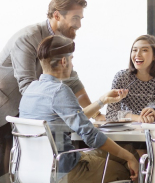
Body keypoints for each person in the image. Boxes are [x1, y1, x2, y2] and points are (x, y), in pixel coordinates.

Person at [0, 0, 104, 179]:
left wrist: (97, 114)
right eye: (76, 18)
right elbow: (27, 87)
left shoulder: (59, 42)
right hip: (7, 106)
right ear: (57, 15)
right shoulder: (28, 38)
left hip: (27, 107)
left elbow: (72, 79)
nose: (79, 25)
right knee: (12, 160)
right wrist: (59, 106)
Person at [19, 35, 138, 182]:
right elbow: (90, 135)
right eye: (71, 59)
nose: (72, 65)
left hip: (35, 169)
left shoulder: (31, 89)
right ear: (64, 61)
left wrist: (102, 101)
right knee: (127, 166)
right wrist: (129, 157)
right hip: (64, 169)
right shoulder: (59, 90)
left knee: (128, 151)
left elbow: (74, 119)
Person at [106, 35, 155, 123]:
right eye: (134, 50)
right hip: (129, 132)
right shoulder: (122, 77)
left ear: (154, 56)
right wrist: (138, 118)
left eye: (144, 50)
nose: (137, 54)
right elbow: (110, 114)